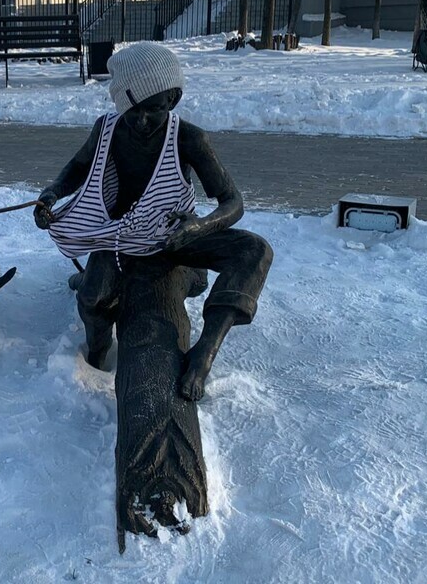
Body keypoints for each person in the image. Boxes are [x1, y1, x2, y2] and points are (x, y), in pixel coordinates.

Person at [34, 42, 273, 401]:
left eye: (154, 109)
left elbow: (232, 202)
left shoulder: (189, 138)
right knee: (93, 298)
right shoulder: (106, 129)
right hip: (121, 235)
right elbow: (77, 169)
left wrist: (198, 227)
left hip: (175, 235)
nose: (142, 121)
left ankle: (204, 352)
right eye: (133, 110)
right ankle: (97, 355)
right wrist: (51, 194)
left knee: (255, 251)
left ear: (173, 100)